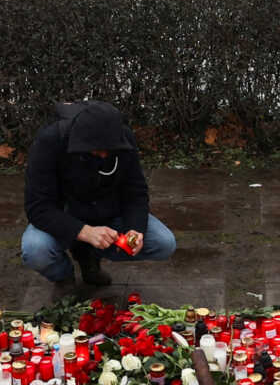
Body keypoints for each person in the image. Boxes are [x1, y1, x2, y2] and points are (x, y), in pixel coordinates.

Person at [20, 100, 177, 293]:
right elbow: (37, 208)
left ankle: (88, 258)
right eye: (97, 150)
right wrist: (82, 231)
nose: (104, 155)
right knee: (36, 249)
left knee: (164, 243)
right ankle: (63, 275)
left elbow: (135, 191)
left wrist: (135, 229)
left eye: (109, 150)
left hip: (108, 214)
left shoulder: (123, 138)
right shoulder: (50, 141)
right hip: (63, 216)